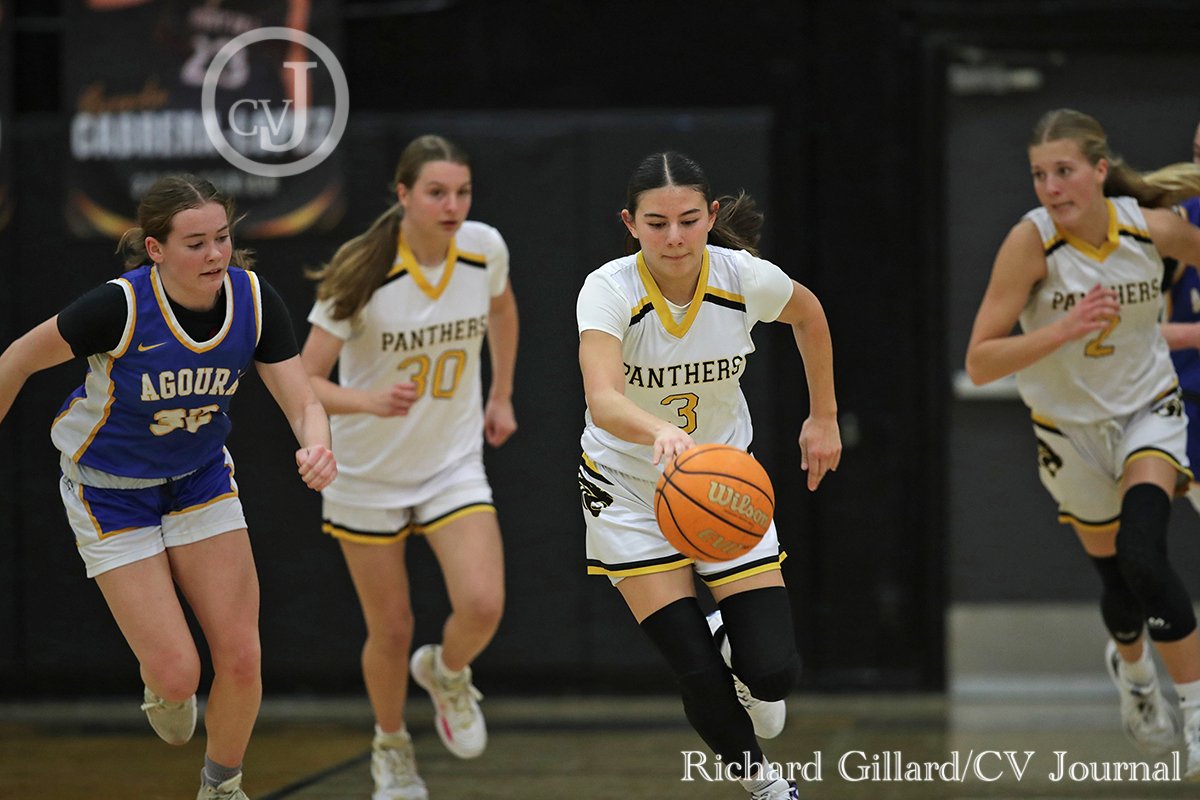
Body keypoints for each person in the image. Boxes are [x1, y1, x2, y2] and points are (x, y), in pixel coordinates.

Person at [0, 173, 337, 800]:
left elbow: (303, 402)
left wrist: (315, 444)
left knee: (241, 657)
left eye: (222, 238)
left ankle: (222, 787)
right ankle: (165, 684)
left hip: (198, 478)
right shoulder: (119, 307)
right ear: (156, 249)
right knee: (181, 674)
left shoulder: (253, 299)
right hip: (108, 490)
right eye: (196, 243)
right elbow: (17, 357)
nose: (215, 254)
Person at [576, 151, 841, 800]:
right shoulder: (609, 289)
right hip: (628, 487)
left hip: (720, 481)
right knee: (694, 668)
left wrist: (824, 416)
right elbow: (603, 399)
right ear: (630, 224)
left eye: (689, 220)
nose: (674, 236)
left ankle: (732, 640)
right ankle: (766, 785)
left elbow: (809, 315)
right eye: (656, 223)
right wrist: (659, 432)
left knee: (773, 674)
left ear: (711, 215)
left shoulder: (743, 277)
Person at [964, 108, 1200, 777]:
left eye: (1063, 171)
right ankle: (1135, 674)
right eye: (1039, 175)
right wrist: (1061, 332)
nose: (1051, 187)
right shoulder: (1030, 243)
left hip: (1148, 411)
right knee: (1119, 582)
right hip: (1068, 431)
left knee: (1145, 554)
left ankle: (1195, 713)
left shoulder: (1151, 228)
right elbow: (980, 361)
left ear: (1098, 170)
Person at [301, 134, 516, 800]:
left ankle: (448, 672)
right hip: (367, 471)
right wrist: (366, 400)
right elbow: (303, 380)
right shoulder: (362, 269)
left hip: (451, 461)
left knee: (482, 604)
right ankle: (391, 747)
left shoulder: (484, 248)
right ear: (404, 195)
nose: (453, 205)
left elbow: (503, 308)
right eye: (437, 192)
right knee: (391, 629)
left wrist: (502, 393)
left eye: (463, 192)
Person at [1160, 119, 1200, 512]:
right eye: (1198, 155)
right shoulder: (1176, 226)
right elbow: (1128, 332)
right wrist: (1192, 335)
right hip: (1193, 407)